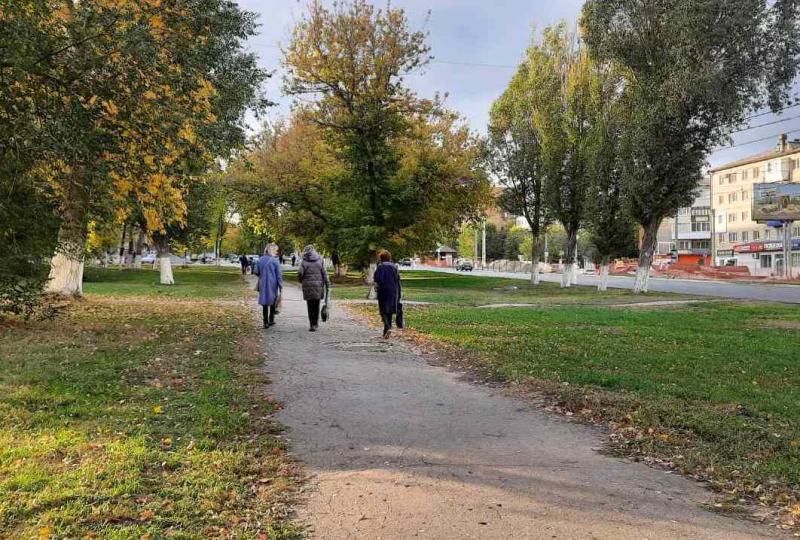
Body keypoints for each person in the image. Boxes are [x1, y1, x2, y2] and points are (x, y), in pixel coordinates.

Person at [298, 245, 329, 332]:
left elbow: (300, 273)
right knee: (316, 305)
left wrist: (301, 281)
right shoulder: (320, 260)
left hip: (308, 287)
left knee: (310, 306)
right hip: (318, 286)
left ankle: (312, 324)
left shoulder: (304, 261)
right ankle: (316, 323)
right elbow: (324, 273)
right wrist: (327, 284)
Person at [253, 243, 282, 329]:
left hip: (263, 283)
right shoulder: (275, 261)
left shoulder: (260, 260)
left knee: (264, 302)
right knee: (273, 301)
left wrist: (262, 276)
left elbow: (255, 271)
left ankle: (265, 322)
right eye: (275, 250)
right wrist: (281, 286)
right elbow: (279, 275)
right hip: (273, 284)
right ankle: (271, 320)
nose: (276, 252)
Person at [373, 250, 401, 338]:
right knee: (390, 309)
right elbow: (397, 278)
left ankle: (387, 327)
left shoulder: (380, 266)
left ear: (381, 258)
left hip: (383, 290)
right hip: (393, 290)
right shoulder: (394, 266)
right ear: (389, 257)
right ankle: (386, 330)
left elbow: (376, 278)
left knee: (383, 310)